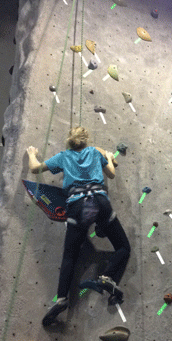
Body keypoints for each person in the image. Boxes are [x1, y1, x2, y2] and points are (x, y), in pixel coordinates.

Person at [26, 126, 131, 326]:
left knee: (70, 257)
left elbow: (35, 168)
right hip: (99, 202)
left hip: (78, 206)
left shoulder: (63, 156)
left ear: (69, 140)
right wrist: (108, 156)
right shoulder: (94, 152)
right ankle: (107, 277)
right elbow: (111, 173)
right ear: (86, 140)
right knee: (123, 247)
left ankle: (62, 298)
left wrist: (32, 154)